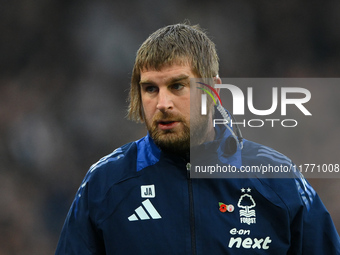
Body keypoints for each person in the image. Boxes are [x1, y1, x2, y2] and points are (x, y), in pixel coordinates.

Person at [55, 23, 340, 254]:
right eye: (151, 89)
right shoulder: (105, 184)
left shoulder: (279, 181)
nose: (162, 103)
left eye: (177, 85)